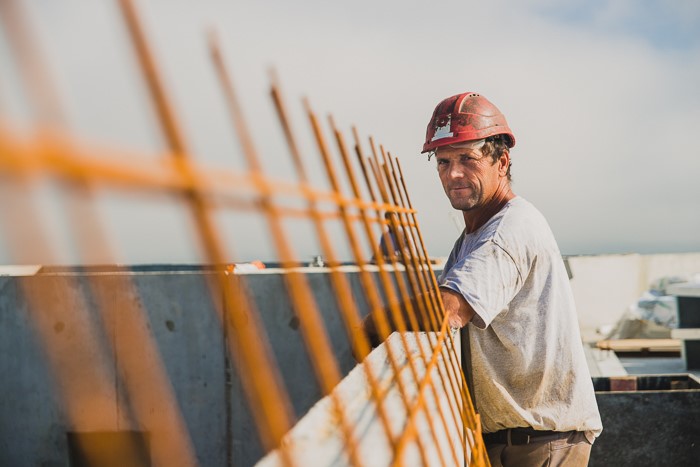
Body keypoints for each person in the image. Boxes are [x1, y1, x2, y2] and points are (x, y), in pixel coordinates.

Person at [363, 92, 602, 466]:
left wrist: (375, 324)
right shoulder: (475, 234)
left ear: (501, 161)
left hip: (540, 442)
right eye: (443, 162)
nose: (453, 174)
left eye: (467, 160)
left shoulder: (506, 230)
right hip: (514, 438)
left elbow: (448, 311)